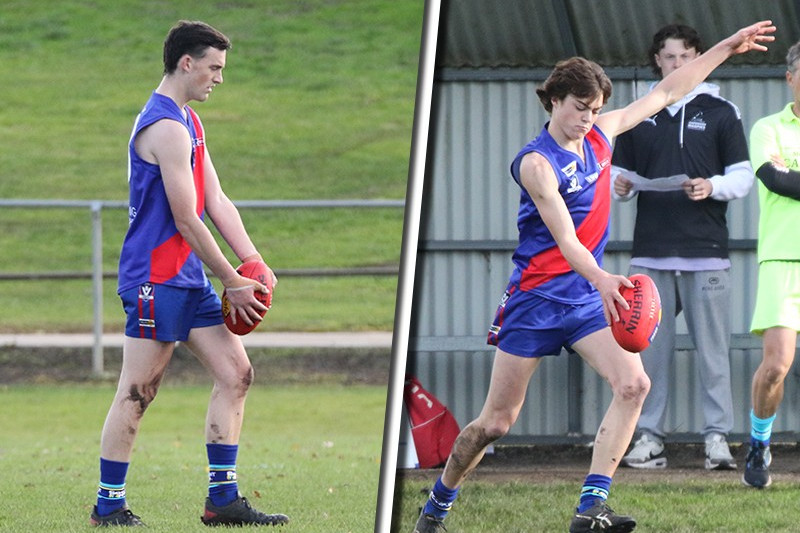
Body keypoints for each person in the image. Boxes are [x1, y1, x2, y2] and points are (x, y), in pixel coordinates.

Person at [412, 21, 774, 533]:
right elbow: (566, 241)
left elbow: (673, 86)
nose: (588, 118)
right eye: (579, 107)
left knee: (633, 384)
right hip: (536, 300)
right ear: (554, 101)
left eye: (596, 109)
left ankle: (590, 509)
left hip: (584, 299)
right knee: (495, 423)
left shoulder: (603, 135)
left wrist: (727, 47)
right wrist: (605, 279)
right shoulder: (536, 163)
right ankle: (438, 506)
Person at [90, 21, 289, 527]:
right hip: (154, 279)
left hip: (189, 278)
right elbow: (186, 218)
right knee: (139, 390)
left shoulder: (190, 122)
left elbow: (216, 201)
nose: (219, 78)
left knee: (237, 374)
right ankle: (108, 505)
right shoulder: (164, 127)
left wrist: (253, 263)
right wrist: (231, 279)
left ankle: (222, 501)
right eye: (214, 67)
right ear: (186, 63)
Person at [613, 24, 753, 471]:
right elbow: (618, 174)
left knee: (713, 350)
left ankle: (717, 439)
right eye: (670, 58)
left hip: (705, 249)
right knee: (649, 352)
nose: (678, 65)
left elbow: (743, 177)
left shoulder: (721, 111)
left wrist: (710, 186)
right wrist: (621, 186)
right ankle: (649, 438)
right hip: (650, 251)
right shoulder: (640, 111)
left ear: (699, 58)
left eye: (686, 56)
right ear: (658, 61)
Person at [742, 40, 800, 489]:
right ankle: (759, 442)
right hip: (782, 257)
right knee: (777, 365)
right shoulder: (767, 127)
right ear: (790, 77)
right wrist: (786, 176)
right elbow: (773, 178)